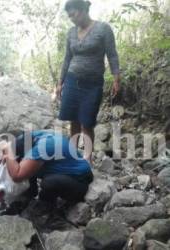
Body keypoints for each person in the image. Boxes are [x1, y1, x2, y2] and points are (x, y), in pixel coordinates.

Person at [55, 0, 121, 165]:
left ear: (83, 9)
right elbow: (67, 58)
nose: (71, 18)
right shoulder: (70, 33)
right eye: (69, 15)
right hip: (71, 81)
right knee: (73, 121)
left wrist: (116, 77)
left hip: (92, 84)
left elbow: (112, 54)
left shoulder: (103, 29)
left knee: (87, 122)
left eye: (74, 13)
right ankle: (71, 157)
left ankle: (87, 159)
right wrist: (60, 82)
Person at [0, 130, 93, 216]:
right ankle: (31, 191)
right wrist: (4, 151)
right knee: (26, 164)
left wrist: (8, 151)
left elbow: (17, 176)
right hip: (67, 169)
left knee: (48, 183)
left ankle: (47, 206)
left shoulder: (42, 148)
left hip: (80, 181)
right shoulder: (34, 136)